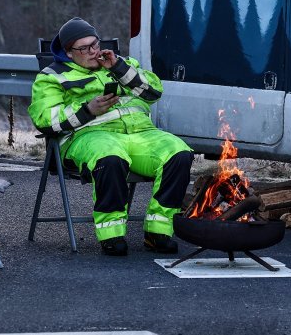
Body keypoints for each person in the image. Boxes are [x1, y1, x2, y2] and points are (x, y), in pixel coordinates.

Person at [29, 17, 193, 256]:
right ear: (68, 52)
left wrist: (119, 69)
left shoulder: (122, 64)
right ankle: (111, 236)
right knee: (110, 158)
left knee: (179, 152)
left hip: (141, 134)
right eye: (83, 48)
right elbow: (46, 119)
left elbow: (154, 91)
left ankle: (158, 232)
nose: (92, 51)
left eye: (94, 44)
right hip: (89, 135)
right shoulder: (52, 76)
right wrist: (88, 110)